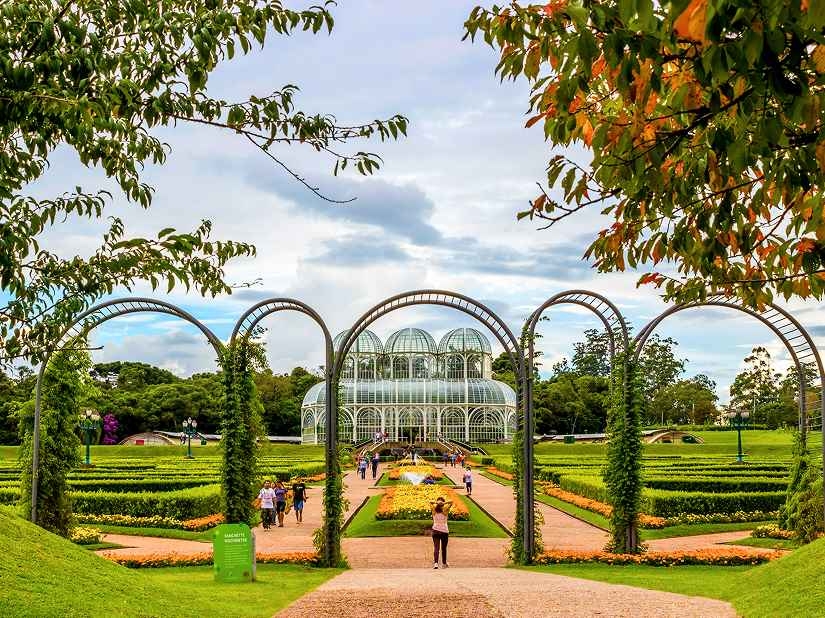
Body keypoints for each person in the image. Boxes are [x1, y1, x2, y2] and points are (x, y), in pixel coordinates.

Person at [430, 496, 452, 569]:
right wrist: (443, 503)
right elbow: (451, 501)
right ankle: (444, 563)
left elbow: (430, 501)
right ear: (443, 504)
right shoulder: (445, 510)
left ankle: (436, 563)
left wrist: (437, 503)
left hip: (435, 530)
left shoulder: (434, 509)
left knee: (436, 547)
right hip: (444, 531)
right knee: (444, 548)